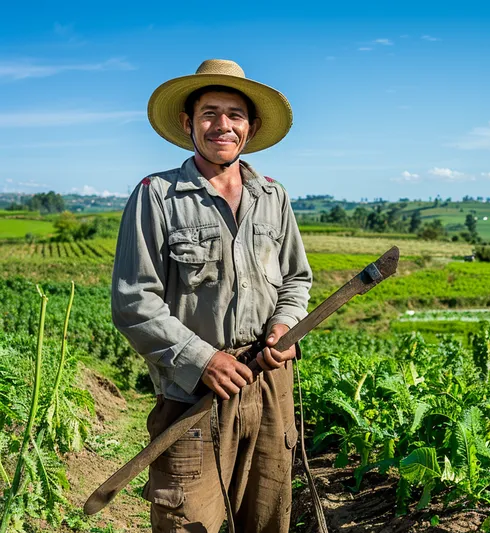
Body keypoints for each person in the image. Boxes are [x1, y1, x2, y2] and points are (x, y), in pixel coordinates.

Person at [111, 59, 312, 533]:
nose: (222, 125)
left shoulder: (273, 197)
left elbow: (296, 279)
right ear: (188, 123)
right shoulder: (157, 195)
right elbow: (133, 300)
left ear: (251, 127)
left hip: (267, 386)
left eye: (234, 115)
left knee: (267, 518)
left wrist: (284, 324)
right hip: (192, 394)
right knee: (187, 519)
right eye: (209, 113)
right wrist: (201, 360)